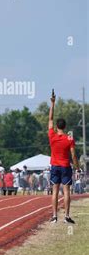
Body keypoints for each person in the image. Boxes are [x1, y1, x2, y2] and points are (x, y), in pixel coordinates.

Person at [48, 91, 79, 223]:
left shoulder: (52, 135)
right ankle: (66, 216)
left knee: (55, 191)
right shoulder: (69, 138)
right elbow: (73, 154)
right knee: (67, 191)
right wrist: (77, 167)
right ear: (65, 127)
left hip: (55, 166)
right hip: (65, 166)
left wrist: (53, 103)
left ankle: (54, 216)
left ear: (56, 126)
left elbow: (50, 119)